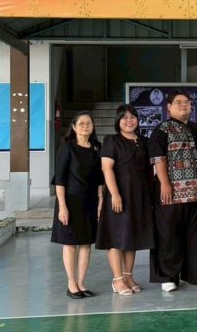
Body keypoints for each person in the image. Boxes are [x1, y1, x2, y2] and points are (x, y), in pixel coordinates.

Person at [148, 90, 197, 292]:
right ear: (169, 107)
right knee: (168, 235)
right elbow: (158, 159)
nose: (183, 105)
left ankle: (193, 275)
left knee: (196, 236)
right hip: (171, 192)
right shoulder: (162, 130)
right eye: (178, 102)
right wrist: (165, 183)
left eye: (186, 102)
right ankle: (168, 276)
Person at [96, 104, 154, 296]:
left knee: (132, 237)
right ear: (118, 121)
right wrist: (115, 194)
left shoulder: (143, 141)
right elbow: (107, 169)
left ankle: (128, 276)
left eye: (132, 117)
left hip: (139, 196)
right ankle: (118, 279)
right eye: (124, 118)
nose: (129, 121)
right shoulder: (112, 141)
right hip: (119, 196)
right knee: (117, 237)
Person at [51, 111, 103, 299]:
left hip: (90, 201)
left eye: (88, 123)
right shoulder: (67, 148)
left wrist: (100, 200)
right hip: (70, 202)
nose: (85, 126)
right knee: (70, 243)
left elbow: (99, 178)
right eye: (81, 123)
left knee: (86, 243)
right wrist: (62, 206)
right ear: (73, 127)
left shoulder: (97, 148)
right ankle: (71, 283)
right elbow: (60, 179)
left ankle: (81, 282)